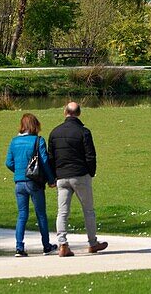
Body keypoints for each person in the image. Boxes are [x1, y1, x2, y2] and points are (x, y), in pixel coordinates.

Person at [48, 102, 107, 257]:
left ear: (65, 112)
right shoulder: (84, 132)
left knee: (62, 212)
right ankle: (93, 243)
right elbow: (90, 155)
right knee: (88, 211)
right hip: (80, 175)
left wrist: (53, 176)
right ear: (79, 113)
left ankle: (62, 244)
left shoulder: (54, 132)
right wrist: (91, 173)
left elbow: (51, 157)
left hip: (61, 176)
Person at [5, 113, 56, 257]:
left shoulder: (14, 141)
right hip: (34, 182)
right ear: (35, 125)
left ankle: (19, 247)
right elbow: (44, 162)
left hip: (19, 183)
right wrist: (51, 179)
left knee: (22, 215)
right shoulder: (38, 141)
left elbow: (8, 162)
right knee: (41, 215)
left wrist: (19, 172)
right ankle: (46, 246)